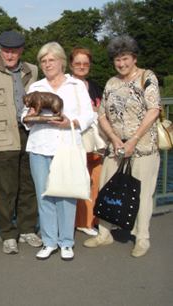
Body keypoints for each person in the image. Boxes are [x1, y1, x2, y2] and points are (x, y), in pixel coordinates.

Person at [84, 35, 161, 258]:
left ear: (133, 57)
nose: (121, 64)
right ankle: (104, 233)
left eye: (125, 58)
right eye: (117, 60)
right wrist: (115, 139)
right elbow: (102, 115)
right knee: (106, 189)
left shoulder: (147, 77)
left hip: (144, 147)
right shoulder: (111, 83)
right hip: (116, 148)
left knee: (142, 194)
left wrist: (134, 139)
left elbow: (153, 110)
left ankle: (142, 238)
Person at [21, 42, 94, 260]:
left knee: (66, 195)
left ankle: (66, 242)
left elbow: (89, 115)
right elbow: (25, 116)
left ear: (62, 61)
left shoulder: (76, 86)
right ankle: (49, 240)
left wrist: (70, 122)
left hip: (67, 146)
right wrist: (30, 119)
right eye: (43, 61)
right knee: (45, 196)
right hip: (39, 147)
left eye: (51, 60)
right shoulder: (35, 87)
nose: (47, 64)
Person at [0, 30, 42, 255]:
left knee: (29, 185)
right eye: (6, 50)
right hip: (2, 138)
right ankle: (8, 233)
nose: (10, 54)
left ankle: (27, 229)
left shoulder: (32, 70)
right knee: (4, 190)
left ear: (21, 50)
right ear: (0, 49)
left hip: (31, 134)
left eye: (14, 50)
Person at [69, 47, 103, 237]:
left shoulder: (95, 86)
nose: (82, 67)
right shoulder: (68, 85)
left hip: (96, 141)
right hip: (77, 140)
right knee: (80, 181)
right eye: (78, 63)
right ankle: (80, 221)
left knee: (95, 180)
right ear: (71, 65)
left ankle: (92, 219)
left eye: (85, 64)